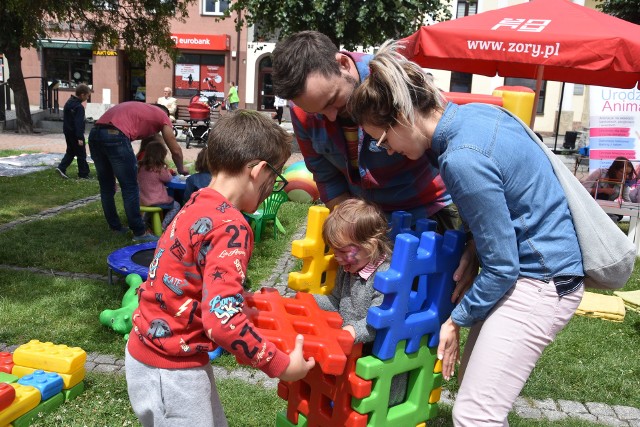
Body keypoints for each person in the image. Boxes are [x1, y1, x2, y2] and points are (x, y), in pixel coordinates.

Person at [347, 41, 585, 425]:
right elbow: (507, 204)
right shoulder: (479, 117)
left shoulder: (460, 158)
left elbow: (503, 267)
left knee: (476, 414)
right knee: (480, 402)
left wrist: (456, 320)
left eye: (381, 139)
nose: (387, 151)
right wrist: (475, 242)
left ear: (402, 117)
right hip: (543, 275)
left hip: (541, 281)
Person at [125, 110, 315, 427]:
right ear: (259, 171)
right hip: (173, 371)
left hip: (160, 358)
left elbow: (197, 281)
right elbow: (221, 321)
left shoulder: (199, 201)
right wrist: (282, 365)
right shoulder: (232, 227)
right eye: (276, 178)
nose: (274, 186)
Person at [272, 31, 478, 302]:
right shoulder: (303, 108)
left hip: (430, 210)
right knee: (365, 306)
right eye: (317, 112)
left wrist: (475, 242)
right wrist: (351, 230)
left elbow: (457, 157)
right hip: (367, 220)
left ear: (343, 65)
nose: (331, 116)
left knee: (421, 306)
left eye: (334, 100)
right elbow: (325, 175)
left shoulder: (394, 80)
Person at [312, 198, 405, 406]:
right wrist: (309, 303)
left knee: (363, 408)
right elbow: (337, 300)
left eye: (344, 252)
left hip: (377, 361)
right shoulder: (350, 268)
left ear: (370, 245)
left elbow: (381, 320)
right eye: (334, 251)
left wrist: (351, 331)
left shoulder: (386, 276)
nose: (338, 258)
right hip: (350, 353)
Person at [88, 101, 188, 242]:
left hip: (95, 133)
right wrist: (181, 168)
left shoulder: (140, 108)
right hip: (115, 134)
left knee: (107, 187)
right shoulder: (162, 116)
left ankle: (115, 227)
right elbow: (175, 150)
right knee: (130, 187)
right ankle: (140, 233)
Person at [137, 141, 181, 230]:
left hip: (143, 200)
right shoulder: (159, 169)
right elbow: (168, 178)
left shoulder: (141, 167)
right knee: (176, 205)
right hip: (157, 201)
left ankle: (143, 222)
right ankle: (163, 225)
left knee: (151, 207)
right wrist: (167, 169)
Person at [56, 84, 91, 179]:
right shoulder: (79, 107)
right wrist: (79, 137)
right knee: (81, 153)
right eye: (87, 96)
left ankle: (61, 167)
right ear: (82, 95)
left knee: (71, 151)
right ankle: (83, 174)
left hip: (68, 132)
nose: (87, 98)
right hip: (76, 134)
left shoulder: (69, 103)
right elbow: (78, 123)